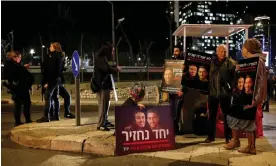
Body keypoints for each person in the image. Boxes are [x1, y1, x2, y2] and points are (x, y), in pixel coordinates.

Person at [224, 38, 266, 155]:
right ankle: (236, 140)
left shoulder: (258, 61)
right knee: (235, 116)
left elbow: (260, 82)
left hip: (250, 98)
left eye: (243, 48)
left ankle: (251, 147)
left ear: (248, 49)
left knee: (248, 121)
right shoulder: (249, 61)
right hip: (242, 96)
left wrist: (256, 100)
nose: (242, 50)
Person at [206, 44, 236, 144]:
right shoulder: (211, 62)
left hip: (225, 94)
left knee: (227, 116)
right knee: (212, 115)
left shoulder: (230, 63)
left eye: (224, 51)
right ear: (217, 52)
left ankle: (228, 137)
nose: (223, 53)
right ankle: (210, 136)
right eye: (221, 51)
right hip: (213, 93)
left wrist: (230, 87)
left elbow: (235, 78)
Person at [94, 42, 120, 131]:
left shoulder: (103, 59)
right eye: (112, 51)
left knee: (106, 104)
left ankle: (105, 120)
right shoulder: (100, 59)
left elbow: (107, 69)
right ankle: (101, 124)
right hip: (102, 86)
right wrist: (116, 69)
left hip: (106, 85)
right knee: (103, 105)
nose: (113, 53)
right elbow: (106, 69)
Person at [3, 51, 34, 126]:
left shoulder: (13, 64)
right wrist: (24, 67)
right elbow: (16, 73)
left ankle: (22, 120)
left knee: (21, 103)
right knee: (21, 103)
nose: (20, 59)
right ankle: (21, 120)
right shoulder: (11, 65)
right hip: (18, 87)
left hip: (20, 87)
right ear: (14, 57)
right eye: (19, 57)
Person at [37, 42, 63, 123]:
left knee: (48, 97)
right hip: (56, 79)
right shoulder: (59, 56)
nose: (50, 47)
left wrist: (48, 82)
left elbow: (52, 70)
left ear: (55, 47)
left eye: (51, 46)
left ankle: (46, 116)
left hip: (52, 80)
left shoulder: (54, 56)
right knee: (55, 97)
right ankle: (56, 116)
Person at [49, 51, 75, 121]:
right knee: (53, 99)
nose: (63, 59)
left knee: (66, 96)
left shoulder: (60, 62)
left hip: (58, 82)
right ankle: (52, 115)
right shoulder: (55, 60)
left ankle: (66, 112)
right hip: (54, 81)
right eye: (63, 58)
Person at [169, 45, 185, 135]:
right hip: (172, 91)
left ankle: (176, 129)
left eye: (177, 51)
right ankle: (172, 129)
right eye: (174, 51)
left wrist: (182, 90)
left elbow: (185, 79)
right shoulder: (171, 62)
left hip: (179, 91)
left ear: (181, 52)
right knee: (172, 111)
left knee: (177, 111)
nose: (175, 53)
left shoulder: (184, 63)